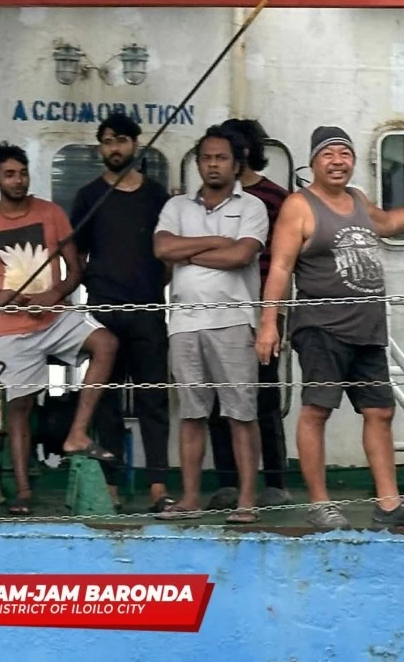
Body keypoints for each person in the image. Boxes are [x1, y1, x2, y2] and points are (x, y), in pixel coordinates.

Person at [255, 125, 404, 530]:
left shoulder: (358, 200)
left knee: (379, 411)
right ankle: (320, 504)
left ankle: (389, 504)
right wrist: (268, 324)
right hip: (321, 328)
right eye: (329, 154)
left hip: (368, 330)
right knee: (316, 411)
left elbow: (388, 223)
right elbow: (279, 267)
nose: (338, 161)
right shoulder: (299, 205)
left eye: (345, 154)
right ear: (313, 162)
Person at [0, 141, 119, 516]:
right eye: (10, 174)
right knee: (19, 408)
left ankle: (77, 434)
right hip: (11, 329)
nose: (18, 181)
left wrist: (56, 292)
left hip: (55, 316)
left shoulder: (50, 213)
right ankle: (24, 490)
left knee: (106, 344)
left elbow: (75, 268)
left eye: (23, 173)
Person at [153, 127, 269, 522]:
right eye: (206, 158)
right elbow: (162, 248)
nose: (213, 164)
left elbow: (241, 256)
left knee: (241, 413)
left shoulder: (252, 206)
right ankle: (188, 499)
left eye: (221, 158)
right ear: (197, 163)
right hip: (183, 323)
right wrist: (217, 241)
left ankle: (247, 501)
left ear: (237, 164)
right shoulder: (177, 207)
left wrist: (191, 252)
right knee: (190, 414)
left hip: (233, 321)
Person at [70, 113, 174, 513]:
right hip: (102, 314)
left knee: (154, 401)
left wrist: (150, 287)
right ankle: (111, 487)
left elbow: (166, 257)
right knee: (107, 403)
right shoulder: (87, 196)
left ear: (135, 144)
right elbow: (75, 254)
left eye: (123, 140)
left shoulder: (157, 197)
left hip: (149, 310)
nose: (116, 148)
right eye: (109, 141)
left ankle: (158, 489)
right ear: (100, 147)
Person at [205, 119, 293, 510]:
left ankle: (274, 480)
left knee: (264, 395)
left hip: (262, 307)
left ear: (241, 154)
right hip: (216, 306)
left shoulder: (278, 198)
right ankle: (229, 481)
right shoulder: (207, 198)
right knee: (217, 396)